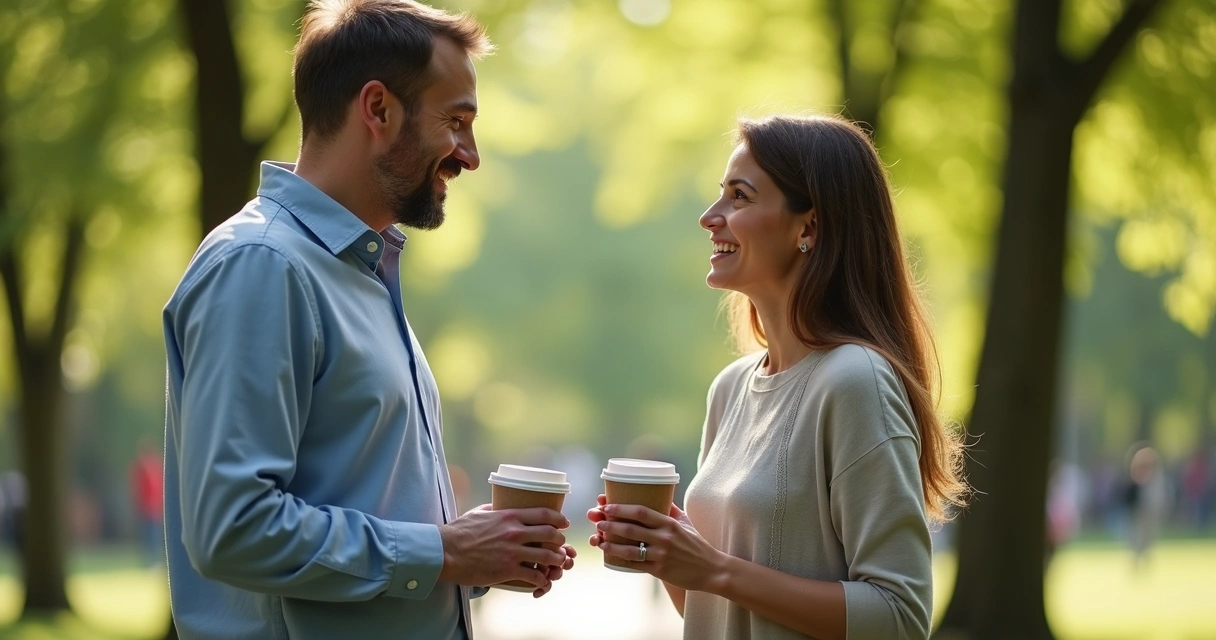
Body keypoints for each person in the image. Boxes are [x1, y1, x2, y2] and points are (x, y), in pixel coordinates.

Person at [161, 2, 574, 638]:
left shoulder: (360, 272)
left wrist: (478, 551)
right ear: (377, 109)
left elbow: (368, 510)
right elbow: (234, 529)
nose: (471, 155)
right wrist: (445, 552)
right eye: (456, 121)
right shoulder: (263, 266)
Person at [589, 114, 968, 640]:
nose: (709, 216)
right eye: (719, 194)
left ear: (807, 227)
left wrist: (715, 568)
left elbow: (899, 616)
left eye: (739, 197)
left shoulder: (856, 381)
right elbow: (721, 613)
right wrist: (669, 552)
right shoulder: (730, 390)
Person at [130, 438, 165, 566]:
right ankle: (149, 560)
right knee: (149, 535)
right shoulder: (143, 468)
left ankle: (153, 560)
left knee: (154, 535)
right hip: (147, 508)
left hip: (154, 508)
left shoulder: (152, 466)